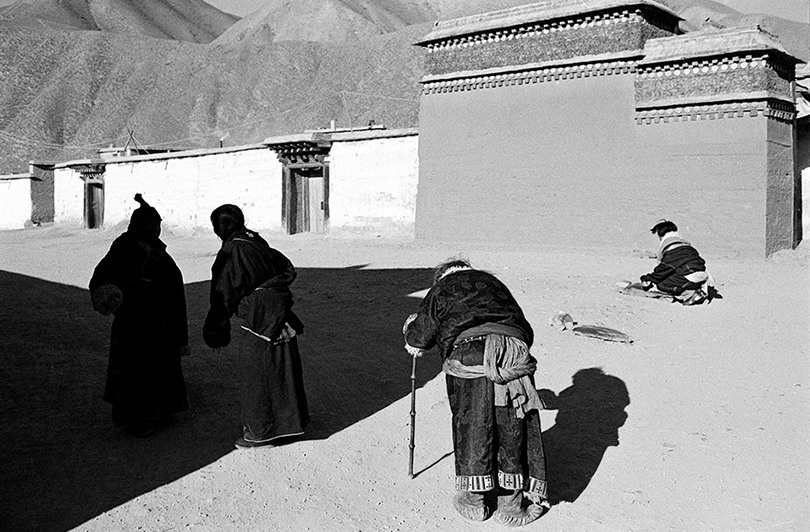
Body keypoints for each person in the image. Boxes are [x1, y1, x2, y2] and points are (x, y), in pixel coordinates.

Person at [403, 259, 549, 527]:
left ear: (442, 276)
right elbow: (525, 328)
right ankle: (512, 503)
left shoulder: (442, 288)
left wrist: (410, 329)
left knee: (473, 420)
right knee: (512, 420)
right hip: (514, 350)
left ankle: (474, 499)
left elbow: (419, 338)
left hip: (472, 353)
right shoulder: (495, 283)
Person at [203, 204, 309, 449]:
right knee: (282, 372)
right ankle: (289, 427)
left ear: (220, 228)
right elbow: (286, 268)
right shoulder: (256, 242)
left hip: (257, 320)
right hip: (278, 315)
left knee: (258, 377)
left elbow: (223, 293)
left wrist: (216, 329)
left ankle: (261, 433)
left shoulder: (232, 251)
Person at [89, 193, 189, 437]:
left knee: (160, 367)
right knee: (136, 370)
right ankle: (137, 419)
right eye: (151, 225)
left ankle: (163, 413)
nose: (156, 230)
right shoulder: (123, 248)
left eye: (157, 226)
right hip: (132, 322)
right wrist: (120, 293)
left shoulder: (159, 252)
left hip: (159, 322)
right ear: (138, 226)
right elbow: (101, 279)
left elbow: (174, 286)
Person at [640, 219, 717, 305]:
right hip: (700, 274)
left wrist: (648, 278)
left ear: (661, 235)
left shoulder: (670, 248)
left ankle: (689, 295)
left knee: (662, 285)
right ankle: (697, 289)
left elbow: (663, 270)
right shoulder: (686, 244)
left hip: (690, 276)